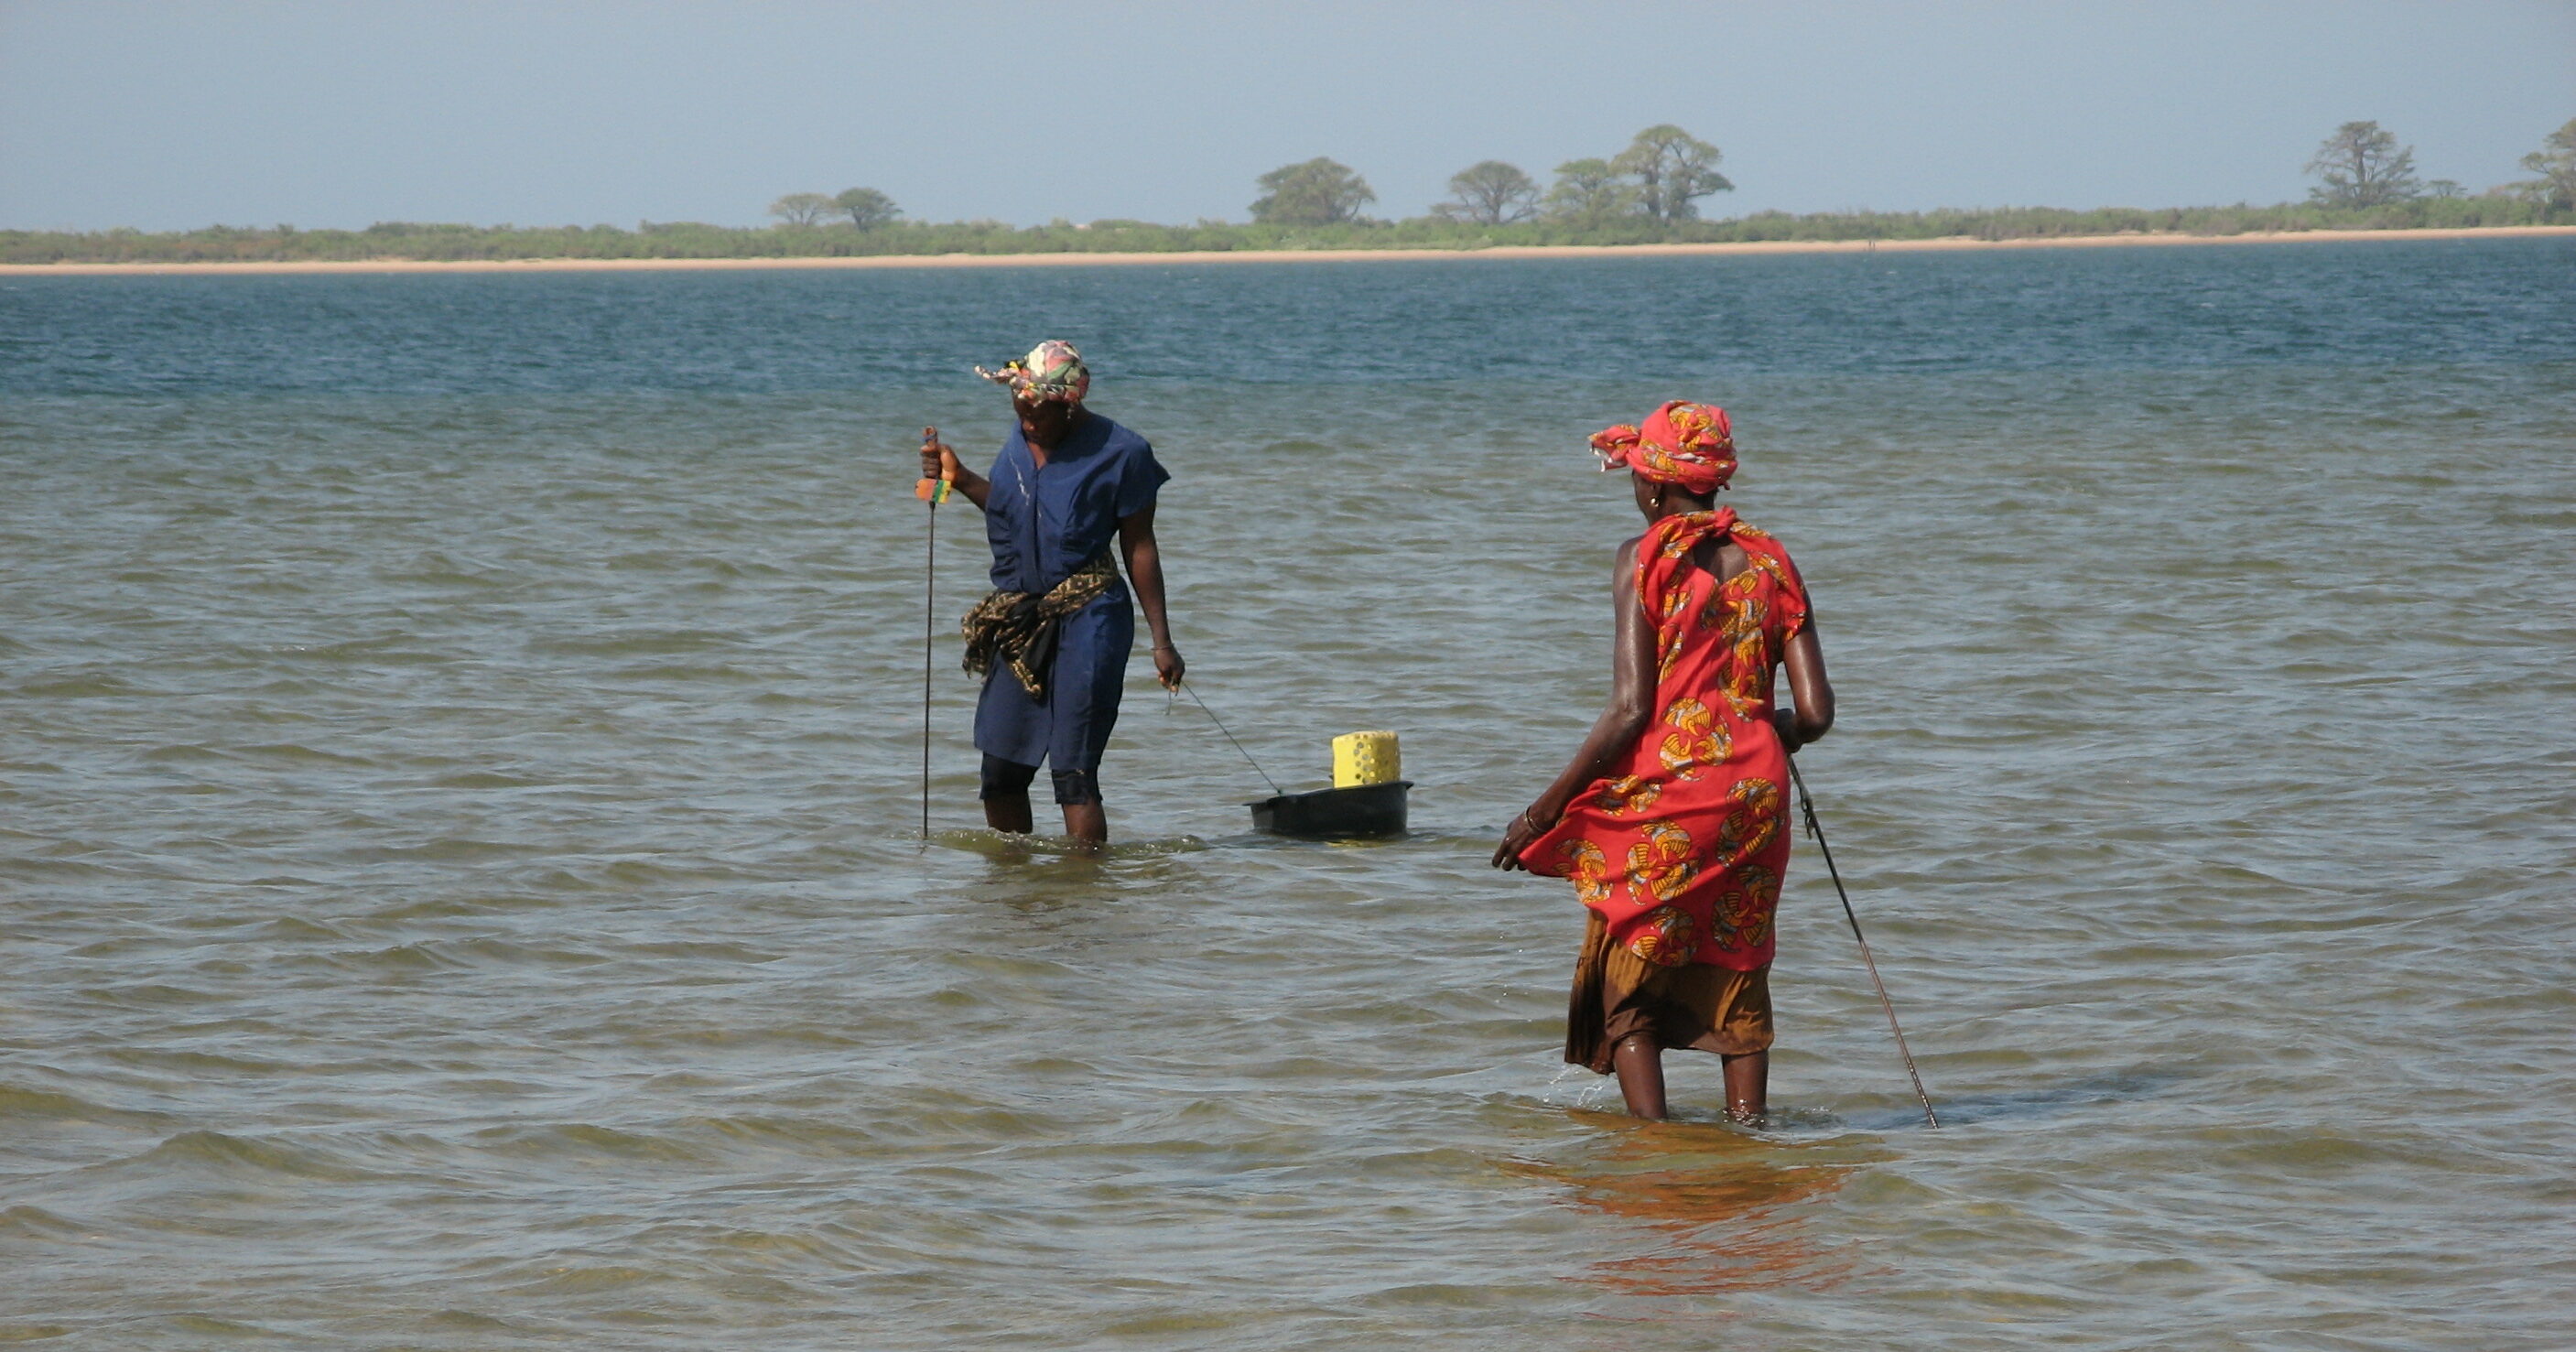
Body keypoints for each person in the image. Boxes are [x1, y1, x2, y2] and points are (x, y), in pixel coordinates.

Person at [1490, 401, 1834, 1122]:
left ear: (1651, 487)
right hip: (1754, 798)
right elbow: (1815, 714)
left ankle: (1656, 1150)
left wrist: (1540, 812)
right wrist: (1771, 732)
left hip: (1671, 795)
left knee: (1628, 983)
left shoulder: (1644, 559)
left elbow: (1630, 711)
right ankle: (1751, 1146)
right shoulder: (1773, 559)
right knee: (1738, 964)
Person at [919, 341, 1182, 845]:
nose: (1027, 423)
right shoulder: (1018, 441)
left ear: (1069, 405)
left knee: (1073, 775)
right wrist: (961, 477)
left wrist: (1162, 642)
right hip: (1021, 619)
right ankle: (1018, 901)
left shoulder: (1122, 452)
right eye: (1020, 411)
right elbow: (1014, 513)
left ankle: (1082, 903)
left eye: (1038, 414)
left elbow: (1140, 545)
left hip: (1092, 616)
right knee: (1000, 775)